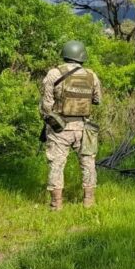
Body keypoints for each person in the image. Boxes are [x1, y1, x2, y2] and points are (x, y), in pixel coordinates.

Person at [40, 40, 102, 211]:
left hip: (60, 128)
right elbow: (97, 100)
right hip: (84, 128)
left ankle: (56, 205)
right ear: (82, 56)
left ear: (65, 54)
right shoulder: (91, 75)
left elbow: (46, 105)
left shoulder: (54, 73)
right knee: (88, 163)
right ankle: (89, 202)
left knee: (57, 164)